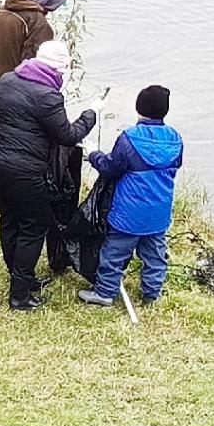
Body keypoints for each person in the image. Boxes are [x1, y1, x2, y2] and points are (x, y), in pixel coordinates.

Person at [0, 40, 98, 311]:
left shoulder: (9, 80)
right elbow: (68, 135)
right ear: (60, 69)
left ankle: (21, 276)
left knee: (10, 218)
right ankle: (20, 295)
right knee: (34, 226)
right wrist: (91, 114)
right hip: (23, 171)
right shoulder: (48, 96)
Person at [79, 86, 184, 308]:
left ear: (139, 108)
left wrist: (93, 154)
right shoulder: (175, 139)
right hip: (158, 213)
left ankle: (105, 293)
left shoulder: (129, 138)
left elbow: (110, 168)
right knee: (155, 256)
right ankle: (151, 294)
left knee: (113, 254)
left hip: (128, 213)